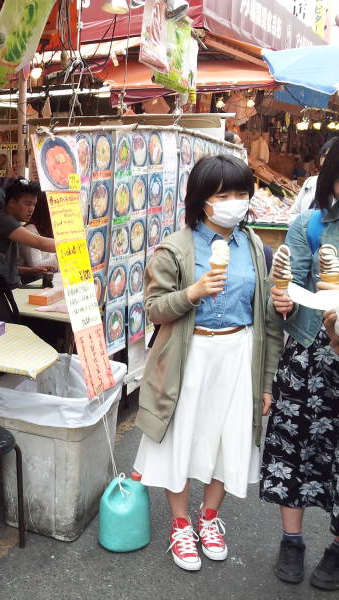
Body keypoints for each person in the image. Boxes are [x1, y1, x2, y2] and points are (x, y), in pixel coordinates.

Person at [133, 155, 283, 572]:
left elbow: (267, 318)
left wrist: (267, 382)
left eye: (240, 194)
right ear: (202, 200)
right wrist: (193, 292)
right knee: (180, 439)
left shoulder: (254, 246)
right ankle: (180, 524)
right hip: (190, 354)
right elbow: (153, 309)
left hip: (239, 353)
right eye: (223, 195)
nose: (234, 202)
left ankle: (210, 518)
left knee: (228, 438)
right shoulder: (176, 248)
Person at [262, 141, 339, 589]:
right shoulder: (309, 225)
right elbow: (289, 294)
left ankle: (336, 546)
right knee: (292, 452)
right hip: (309, 356)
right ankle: (292, 540)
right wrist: (283, 302)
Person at [0, 178, 56, 290]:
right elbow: (40, 243)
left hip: (4, 286)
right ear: (12, 202)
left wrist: (31, 270)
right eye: (27, 204)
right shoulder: (2, 220)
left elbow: (2, 266)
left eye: (34, 204)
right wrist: (73, 246)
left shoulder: (10, 221)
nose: (31, 209)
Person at [289, 138, 338, 223]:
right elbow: (295, 212)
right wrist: (302, 228)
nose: (327, 161)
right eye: (325, 156)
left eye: (332, 157)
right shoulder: (310, 182)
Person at [18, 191, 57, 284]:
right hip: (32, 284)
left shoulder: (50, 229)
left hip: (47, 281)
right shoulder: (30, 231)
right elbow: (36, 266)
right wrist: (63, 255)